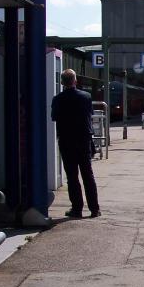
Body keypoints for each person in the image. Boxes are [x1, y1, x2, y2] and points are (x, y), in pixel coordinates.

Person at [51, 69, 100, 218]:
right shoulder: (86, 97)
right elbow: (89, 114)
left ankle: (77, 209)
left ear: (62, 82)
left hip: (67, 141)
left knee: (72, 176)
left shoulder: (58, 99)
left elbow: (54, 117)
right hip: (84, 140)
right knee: (88, 174)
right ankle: (94, 209)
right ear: (75, 81)